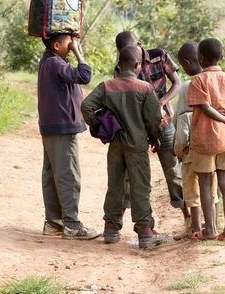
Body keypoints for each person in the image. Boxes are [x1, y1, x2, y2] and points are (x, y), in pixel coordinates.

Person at [81, 46, 169, 249]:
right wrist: (154, 138)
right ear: (138, 65)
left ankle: (111, 228)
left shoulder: (106, 86)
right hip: (137, 145)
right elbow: (154, 119)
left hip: (115, 144)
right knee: (140, 186)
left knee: (115, 185)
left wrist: (100, 126)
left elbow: (86, 106)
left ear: (118, 64)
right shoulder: (145, 88)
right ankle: (145, 231)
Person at [114, 31, 188, 223]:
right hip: (137, 128)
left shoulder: (159, 56)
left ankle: (188, 217)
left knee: (173, 171)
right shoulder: (120, 67)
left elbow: (177, 83)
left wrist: (161, 102)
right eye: (124, 52)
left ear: (140, 44)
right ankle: (116, 222)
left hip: (164, 123)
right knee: (130, 176)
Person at [38, 34, 101, 240]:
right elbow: (84, 76)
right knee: (68, 175)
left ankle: (53, 222)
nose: (72, 44)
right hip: (62, 127)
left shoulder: (50, 61)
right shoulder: (55, 63)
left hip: (51, 126)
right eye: (68, 42)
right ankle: (72, 225)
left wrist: (70, 49)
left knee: (52, 174)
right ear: (56, 45)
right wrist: (78, 52)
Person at [188, 38, 225, 242]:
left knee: (205, 182)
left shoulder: (198, 80)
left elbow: (205, 107)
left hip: (204, 138)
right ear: (221, 57)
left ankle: (210, 229)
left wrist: (224, 120)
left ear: (201, 58)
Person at [173, 42, 219, 239]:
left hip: (192, 146)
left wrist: (178, 149)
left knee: (192, 188)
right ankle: (213, 226)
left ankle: (195, 227)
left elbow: (180, 120)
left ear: (186, 63)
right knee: (212, 186)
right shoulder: (217, 80)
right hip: (214, 142)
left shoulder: (187, 86)